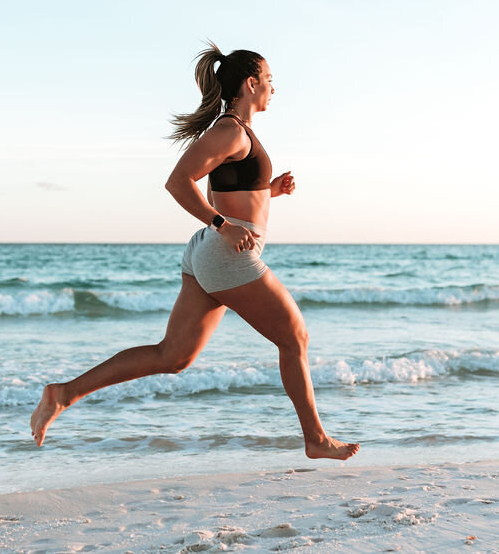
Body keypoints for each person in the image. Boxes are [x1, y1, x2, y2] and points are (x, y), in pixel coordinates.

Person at [30, 42, 360, 461]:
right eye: (271, 81)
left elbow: (228, 192)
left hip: (211, 255)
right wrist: (221, 225)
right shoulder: (230, 131)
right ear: (251, 83)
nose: (275, 89)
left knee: (173, 356)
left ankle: (63, 393)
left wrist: (270, 191)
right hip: (225, 256)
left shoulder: (237, 131)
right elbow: (178, 182)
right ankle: (314, 439)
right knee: (295, 338)